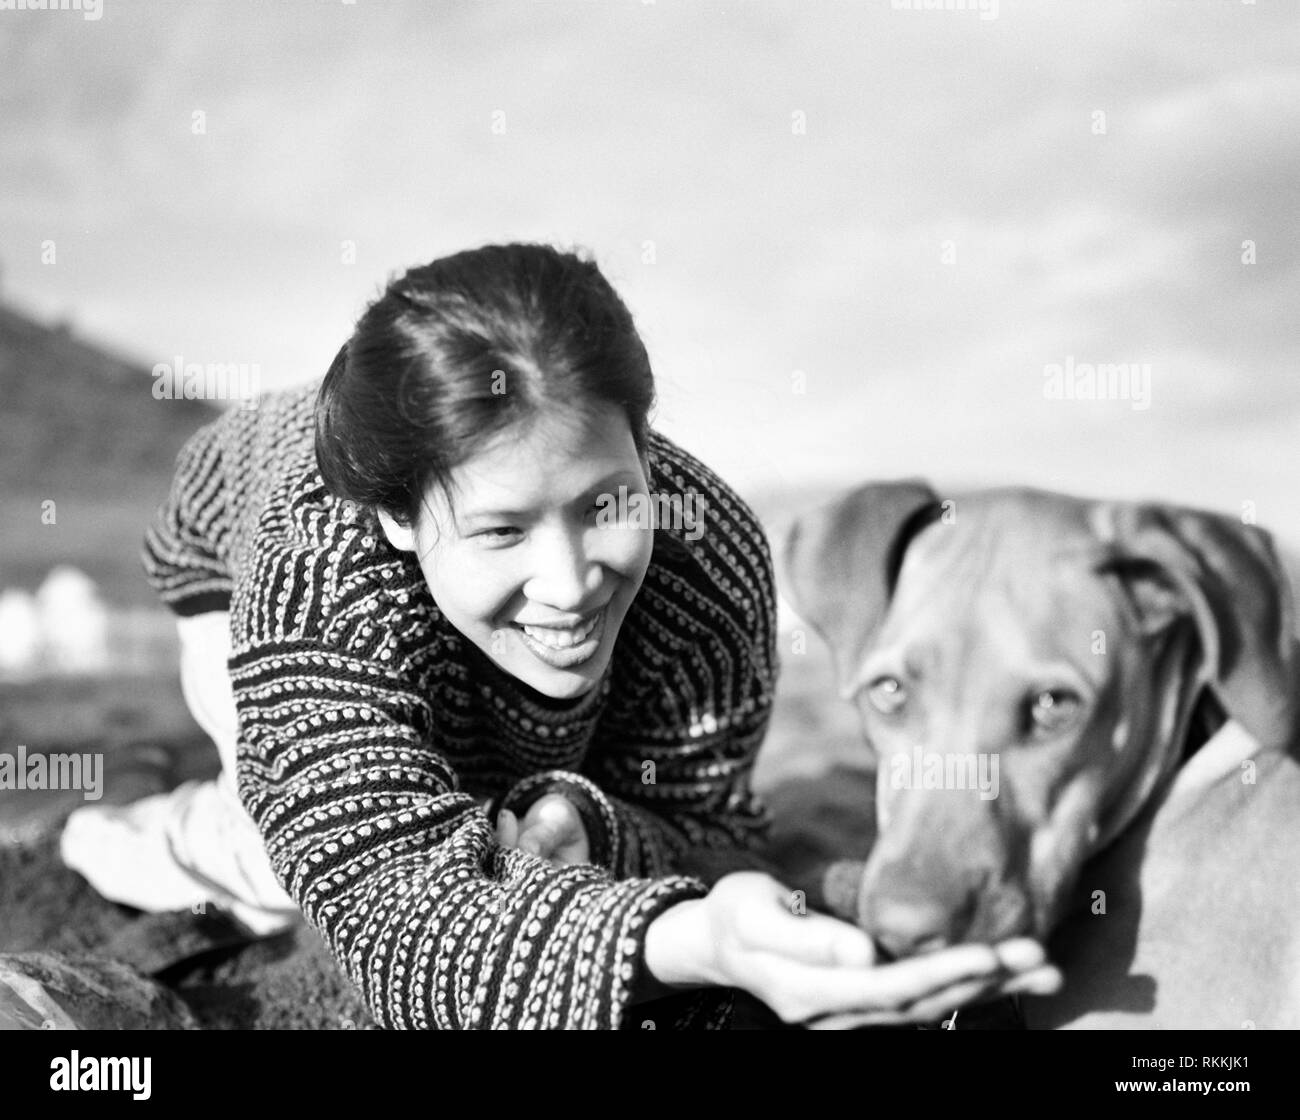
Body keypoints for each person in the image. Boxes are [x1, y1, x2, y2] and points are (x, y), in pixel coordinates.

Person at [62, 243, 1059, 1028]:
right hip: (219, 543)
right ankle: (127, 825)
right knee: (291, 869)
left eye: (605, 502)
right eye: (501, 529)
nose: (573, 581)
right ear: (400, 519)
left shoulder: (704, 556)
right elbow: (394, 918)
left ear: (643, 444)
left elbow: (703, 819)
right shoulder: (317, 578)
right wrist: (689, 942)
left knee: (519, 822)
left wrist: (586, 823)